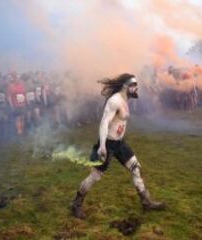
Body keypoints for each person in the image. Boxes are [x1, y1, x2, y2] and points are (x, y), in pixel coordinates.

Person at [71, 73, 166, 219]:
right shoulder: (114, 101)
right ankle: (76, 204)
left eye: (136, 84)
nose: (136, 88)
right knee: (95, 176)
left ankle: (146, 202)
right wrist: (102, 146)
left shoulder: (125, 99)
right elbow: (104, 123)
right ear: (125, 87)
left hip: (120, 144)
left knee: (136, 168)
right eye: (133, 85)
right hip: (107, 144)